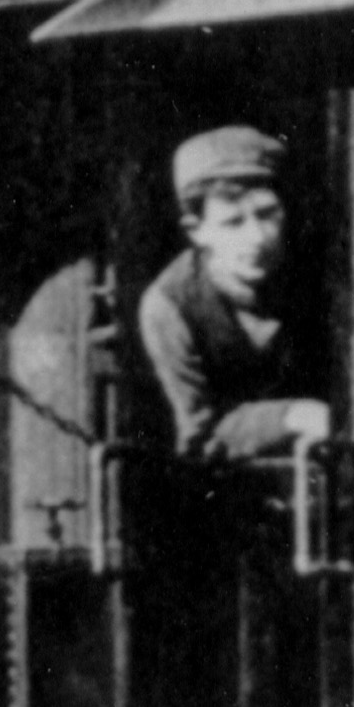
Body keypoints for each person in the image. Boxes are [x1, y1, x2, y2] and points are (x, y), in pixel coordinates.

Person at [133, 124, 331, 465]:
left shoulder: (317, 277)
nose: (257, 237)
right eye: (233, 222)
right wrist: (293, 416)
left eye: (267, 215)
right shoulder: (169, 306)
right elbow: (202, 433)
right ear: (197, 231)